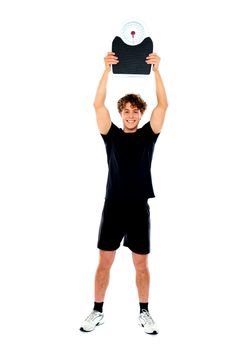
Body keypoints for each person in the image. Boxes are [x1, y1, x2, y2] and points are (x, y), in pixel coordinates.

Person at [80, 52, 168, 335]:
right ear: (121, 114)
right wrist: (106, 70)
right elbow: (97, 104)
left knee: (141, 264)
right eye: (126, 111)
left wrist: (156, 70)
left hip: (138, 208)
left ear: (140, 114)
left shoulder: (148, 135)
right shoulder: (111, 135)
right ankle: (97, 311)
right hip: (114, 207)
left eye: (135, 111)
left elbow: (164, 105)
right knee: (104, 262)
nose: (131, 115)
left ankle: (144, 312)